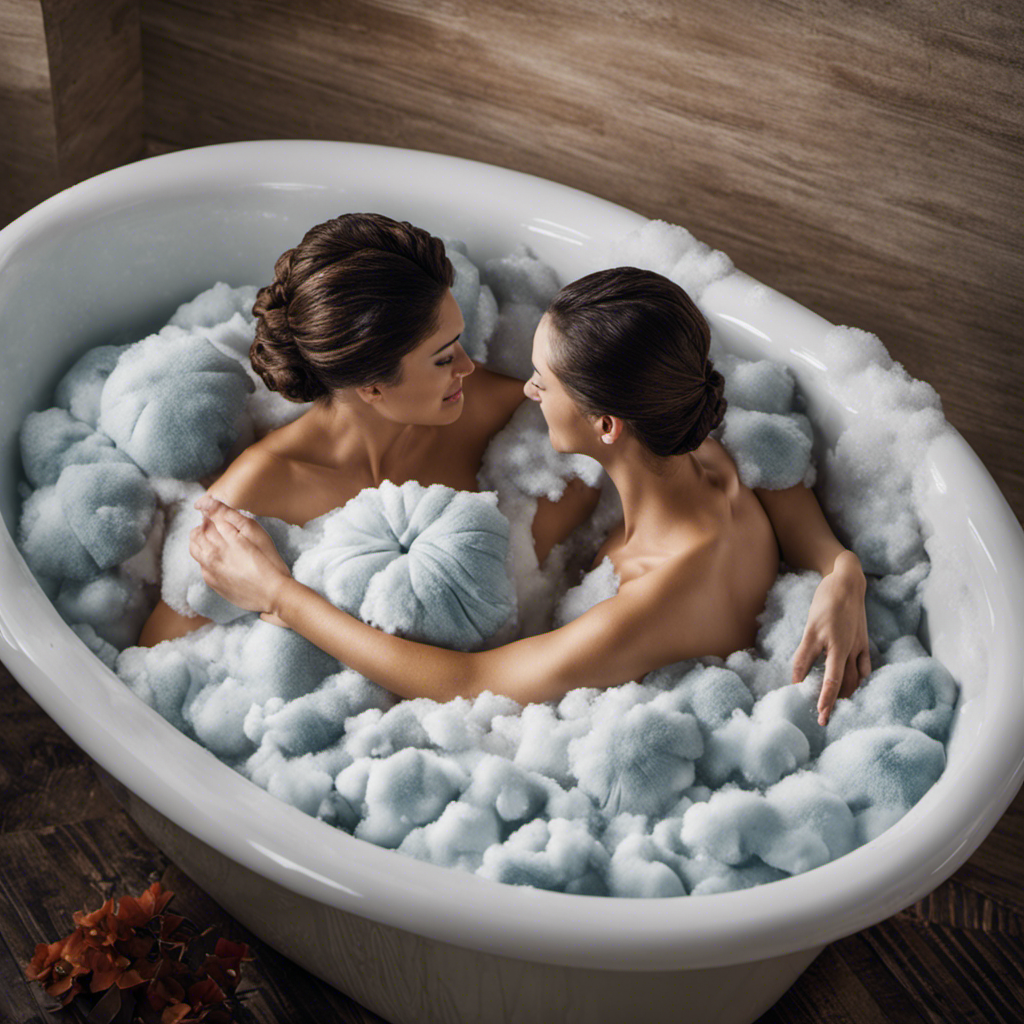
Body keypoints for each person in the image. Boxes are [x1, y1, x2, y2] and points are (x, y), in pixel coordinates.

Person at [189, 265, 870, 725]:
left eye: (544, 381)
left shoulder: (647, 603)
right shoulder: (705, 451)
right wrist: (843, 572)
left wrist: (281, 596)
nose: (527, 389)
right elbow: (792, 504)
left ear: (607, 424)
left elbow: (464, 683)